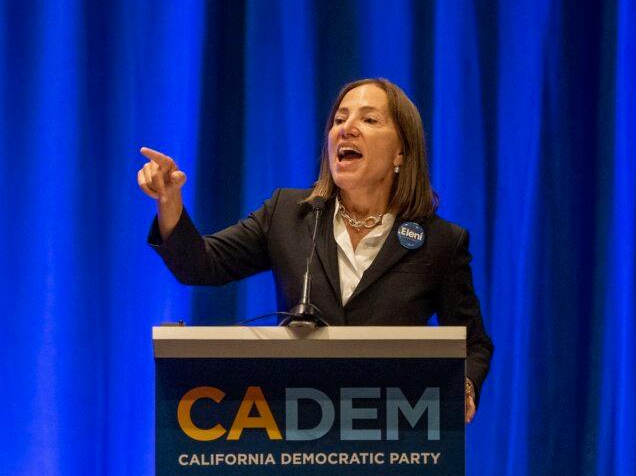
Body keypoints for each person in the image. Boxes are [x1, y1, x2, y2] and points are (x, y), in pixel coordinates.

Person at [138, 78, 493, 422]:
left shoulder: (439, 241)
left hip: (394, 432)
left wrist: (465, 385)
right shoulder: (287, 215)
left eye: (369, 120)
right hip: (298, 428)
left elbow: (473, 343)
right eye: (339, 119)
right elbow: (201, 265)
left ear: (401, 151)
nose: (346, 129)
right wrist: (169, 202)